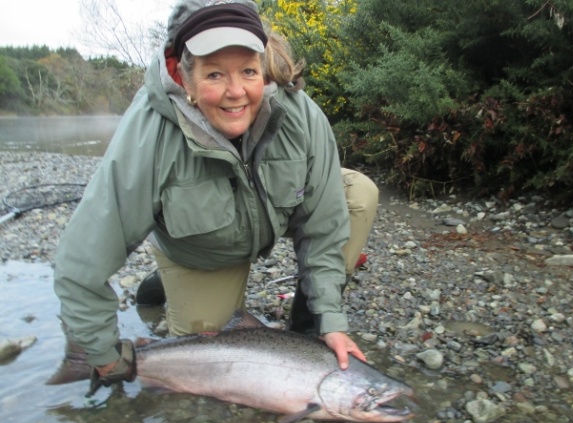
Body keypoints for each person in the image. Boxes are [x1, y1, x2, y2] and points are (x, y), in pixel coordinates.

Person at [54, 0, 379, 388]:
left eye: (247, 71)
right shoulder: (148, 135)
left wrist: (330, 320)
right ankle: (169, 278)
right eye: (214, 75)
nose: (236, 92)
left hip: (273, 218)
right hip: (200, 252)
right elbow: (79, 265)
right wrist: (103, 355)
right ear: (184, 77)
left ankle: (306, 326)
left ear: (265, 68)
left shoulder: (301, 115)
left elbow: (323, 229)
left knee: (358, 192)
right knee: (200, 360)